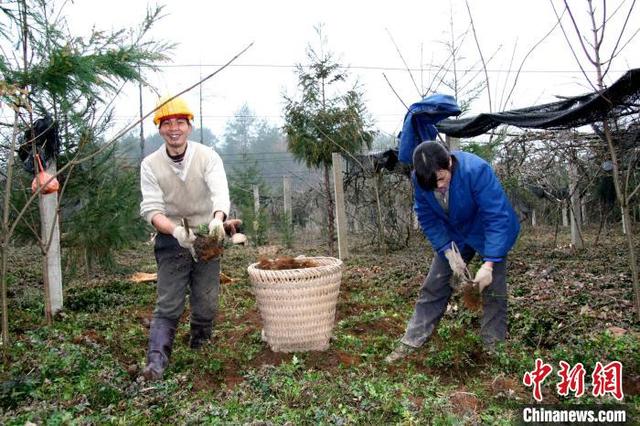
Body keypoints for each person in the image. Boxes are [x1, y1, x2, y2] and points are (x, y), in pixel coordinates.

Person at [385, 141, 520, 363]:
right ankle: (412, 340)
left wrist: (489, 264)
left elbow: (496, 218)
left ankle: (493, 350)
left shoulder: (476, 171)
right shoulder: (419, 179)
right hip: (454, 233)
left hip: (486, 229)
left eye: (441, 179)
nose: (437, 187)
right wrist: (447, 251)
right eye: (431, 184)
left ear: (448, 163)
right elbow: (426, 216)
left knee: (493, 289)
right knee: (435, 284)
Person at [139, 96, 230, 380]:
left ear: (189, 126)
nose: (174, 129)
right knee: (169, 301)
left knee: (207, 300)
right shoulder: (150, 164)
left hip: (206, 235)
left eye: (180, 122)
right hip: (171, 236)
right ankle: (156, 363)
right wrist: (177, 232)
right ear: (160, 129)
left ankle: (200, 344)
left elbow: (220, 191)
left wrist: (218, 219)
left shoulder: (207, 156)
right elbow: (151, 209)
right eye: (167, 123)